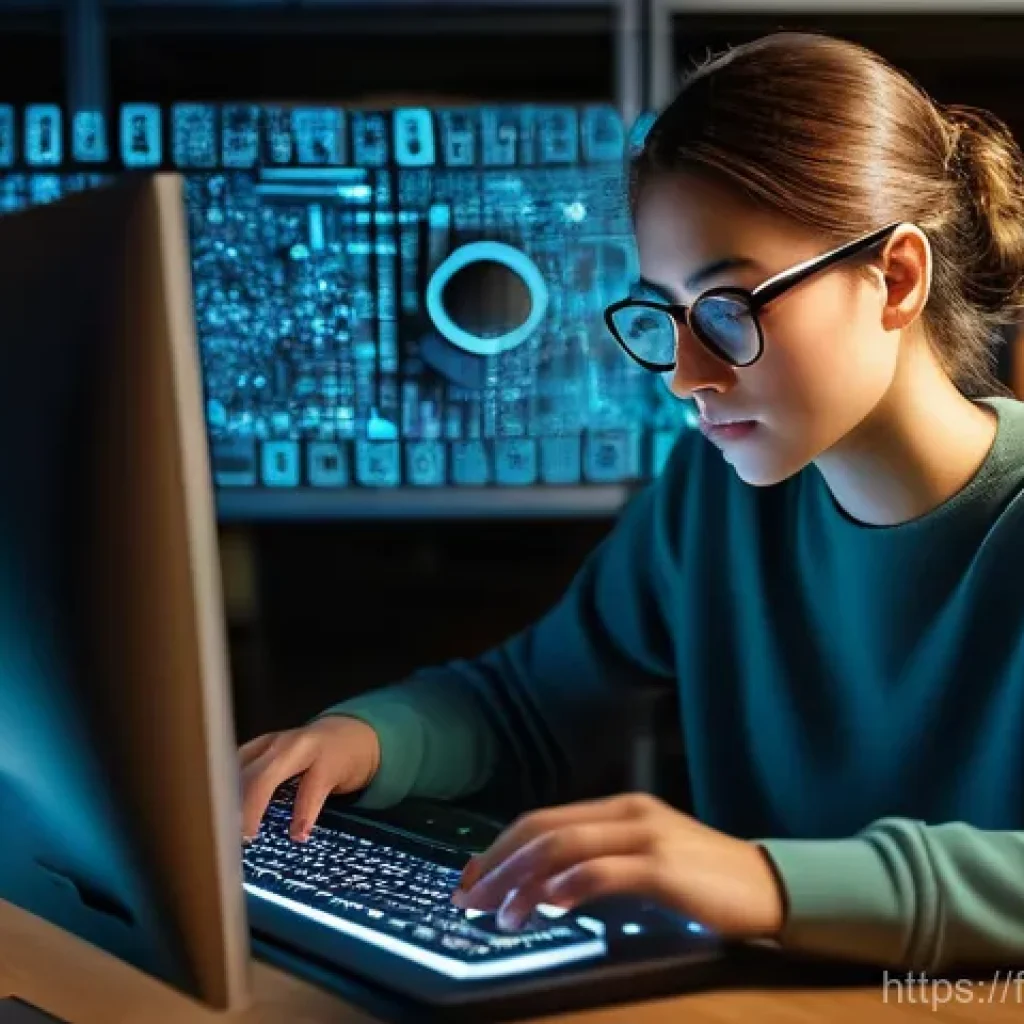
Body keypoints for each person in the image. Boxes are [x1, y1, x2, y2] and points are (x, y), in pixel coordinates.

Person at [239, 31, 1024, 973]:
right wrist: (360, 739)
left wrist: (765, 883)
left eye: (730, 307)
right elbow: (532, 703)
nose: (686, 375)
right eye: (668, 313)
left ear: (895, 278)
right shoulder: (716, 494)